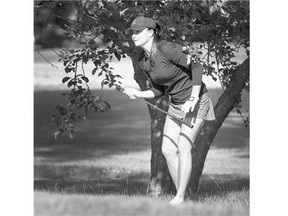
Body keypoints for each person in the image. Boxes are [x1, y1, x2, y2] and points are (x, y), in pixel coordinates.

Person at [124, 16, 216, 205]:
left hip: (196, 102)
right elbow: (160, 89)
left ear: (151, 32)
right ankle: (186, 197)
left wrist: (193, 97)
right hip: (176, 105)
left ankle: (179, 198)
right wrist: (139, 93)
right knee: (167, 150)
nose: (134, 35)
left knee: (183, 147)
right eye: (132, 32)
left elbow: (196, 65)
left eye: (138, 31)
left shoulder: (166, 48)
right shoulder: (143, 60)